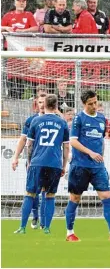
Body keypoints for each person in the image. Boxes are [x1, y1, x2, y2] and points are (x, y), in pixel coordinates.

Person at [65, 90, 110, 241]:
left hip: (97, 166)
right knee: (74, 198)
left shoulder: (101, 118)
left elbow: (101, 139)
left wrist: (101, 155)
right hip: (80, 165)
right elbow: (73, 141)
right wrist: (91, 153)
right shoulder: (78, 119)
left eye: (95, 102)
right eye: (90, 104)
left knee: (107, 196)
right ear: (84, 104)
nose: (94, 106)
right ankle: (70, 233)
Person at [14, 95, 70, 235]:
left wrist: (29, 161)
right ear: (56, 106)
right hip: (55, 164)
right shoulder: (62, 123)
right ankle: (46, 228)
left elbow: (29, 144)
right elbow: (67, 147)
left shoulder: (36, 121)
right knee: (50, 195)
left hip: (37, 162)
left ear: (44, 105)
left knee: (30, 194)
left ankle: (22, 227)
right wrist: (63, 166)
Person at [12, 94, 47, 229]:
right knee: (33, 190)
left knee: (46, 191)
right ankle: (35, 216)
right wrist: (15, 157)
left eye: (45, 102)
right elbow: (23, 139)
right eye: (40, 102)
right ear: (36, 104)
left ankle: (44, 223)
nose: (42, 104)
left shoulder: (56, 120)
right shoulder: (31, 120)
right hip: (33, 161)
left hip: (49, 162)